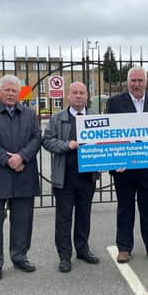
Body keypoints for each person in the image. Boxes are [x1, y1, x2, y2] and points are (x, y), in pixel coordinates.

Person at [105, 65, 148, 264]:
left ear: (146, 82)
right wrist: (114, 159)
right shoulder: (115, 102)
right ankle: (124, 248)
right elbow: (109, 133)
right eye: (133, 80)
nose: (136, 84)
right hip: (124, 167)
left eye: (140, 80)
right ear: (127, 82)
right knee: (125, 207)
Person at [0, 74, 42, 280]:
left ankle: (19, 256)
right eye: (7, 90)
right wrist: (8, 160)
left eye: (14, 90)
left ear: (19, 93)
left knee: (23, 220)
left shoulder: (30, 114)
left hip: (24, 173)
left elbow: (36, 138)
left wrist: (22, 156)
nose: (11, 94)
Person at [42, 82, 100, 273]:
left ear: (87, 96)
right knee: (64, 218)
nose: (78, 96)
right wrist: (68, 145)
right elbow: (47, 141)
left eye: (82, 93)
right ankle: (64, 256)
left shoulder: (95, 117)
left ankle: (82, 249)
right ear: (68, 96)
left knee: (84, 216)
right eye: (74, 93)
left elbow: (106, 143)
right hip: (64, 177)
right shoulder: (58, 118)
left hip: (87, 177)